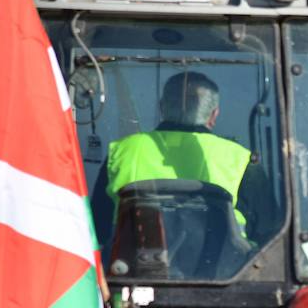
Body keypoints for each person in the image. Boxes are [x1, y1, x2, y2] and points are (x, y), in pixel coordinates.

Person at [93, 71, 263, 248]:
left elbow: (97, 227)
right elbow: (266, 233)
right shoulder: (240, 159)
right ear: (214, 115)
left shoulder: (123, 152)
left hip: (129, 271)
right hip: (226, 271)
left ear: (161, 108)